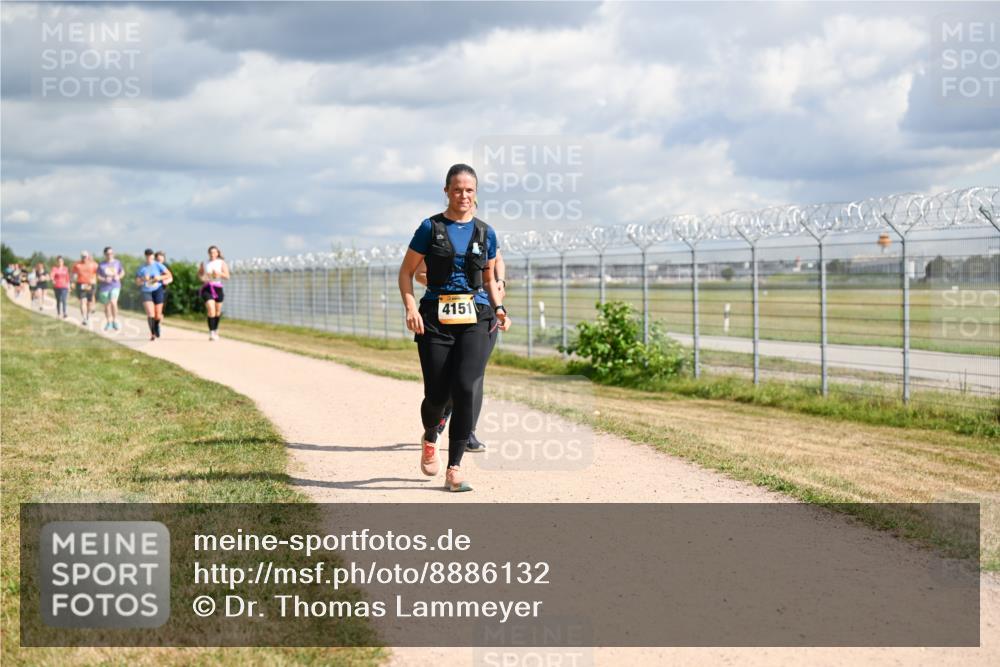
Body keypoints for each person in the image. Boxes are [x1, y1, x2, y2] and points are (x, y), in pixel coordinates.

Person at [398, 163, 511, 492]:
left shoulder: (485, 232)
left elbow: (489, 276)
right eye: (458, 189)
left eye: (470, 190)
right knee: (437, 393)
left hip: (477, 315)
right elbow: (406, 272)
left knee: (465, 387)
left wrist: (500, 308)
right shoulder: (429, 228)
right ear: (447, 191)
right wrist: (410, 308)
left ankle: (455, 467)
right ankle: (430, 435)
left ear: (476, 194)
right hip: (435, 316)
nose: (464, 195)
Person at [416, 250, 507, 453]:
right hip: (449, 314)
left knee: (474, 376)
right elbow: (419, 274)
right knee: (449, 377)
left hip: (484, 312)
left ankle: (468, 433)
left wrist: (500, 281)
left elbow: (498, 260)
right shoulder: (442, 242)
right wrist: (451, 286)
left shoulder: (482, 235)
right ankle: (442, 417)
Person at [135, 248, 172, 341]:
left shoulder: (158, 265)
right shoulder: (141, 268)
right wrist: (144, 279)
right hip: (146, 291)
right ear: (145, 256)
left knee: (158, 315)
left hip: (157, 290)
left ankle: (156, 327)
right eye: (147, 256)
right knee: (150, 313)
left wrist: (159, 277)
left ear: (152, 256)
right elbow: (137, 282)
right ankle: (152, 333)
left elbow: (169, 275)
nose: (149, 257)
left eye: (150, 255)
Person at [197, 245, 230, 340]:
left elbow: (227, 276)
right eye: (210, 252)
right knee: (211, 310)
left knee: (217, 312)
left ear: (217, 253)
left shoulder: (221, 263)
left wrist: (218, 273)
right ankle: (211, 332)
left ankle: (216, 329)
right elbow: (200, 274)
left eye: (214, 252)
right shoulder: (204, 263)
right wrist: (203, 278)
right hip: (207, 288)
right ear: (208, 253)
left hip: (218, 288)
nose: (212, 254)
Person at [96, 246, 125, 331]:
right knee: (107, 305)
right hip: (105, 287)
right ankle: (109, 322)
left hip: (115, 285)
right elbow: (98, 276)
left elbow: (122, 272)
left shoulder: (117, 262)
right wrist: (104, 279)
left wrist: (118, 276)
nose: (110, 255)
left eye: (111, 253)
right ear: (105, 254)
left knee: (113, 302)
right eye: (108, 254)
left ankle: (115, 321)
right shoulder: (101, 264)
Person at [71, 251, 98, 325]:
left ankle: (88, 315)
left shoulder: (93, 264)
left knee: (89, 302)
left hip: (90, 284)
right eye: (82, 257)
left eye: (85, 257)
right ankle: (84, 318)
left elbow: (98, 271)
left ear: (88, 256)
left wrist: (95, 280)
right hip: (81, 284)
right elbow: (74, 274)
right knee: (83, 301)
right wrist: (72, 282)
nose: (84, 258)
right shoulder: (77, 264)